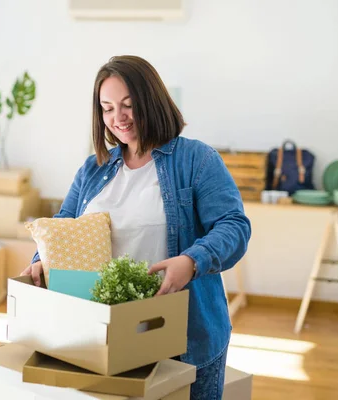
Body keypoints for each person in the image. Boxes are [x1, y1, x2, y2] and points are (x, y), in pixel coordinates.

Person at [21, 55, 251, 399]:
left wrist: (191, 261)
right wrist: (42, 259)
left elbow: (234, 227)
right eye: (107, 107)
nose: (118, 118)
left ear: (152, 101)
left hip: (182, 336)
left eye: (129, 105)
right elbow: (62, 225)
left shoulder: (196, 160)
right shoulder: (93, 169)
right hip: (104, 332)